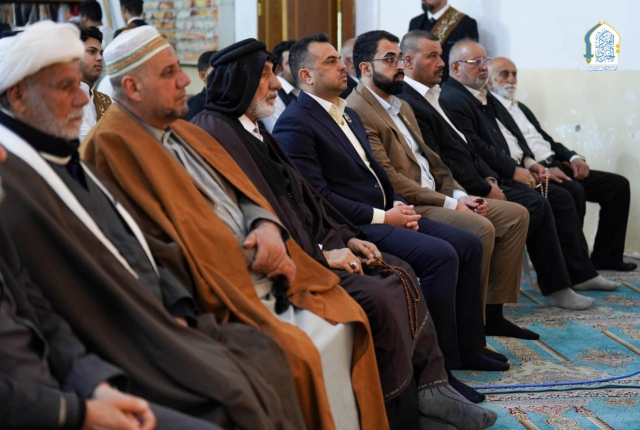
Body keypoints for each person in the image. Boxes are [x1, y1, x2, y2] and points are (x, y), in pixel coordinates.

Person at [0, 20, 307, 429]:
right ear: (18, 96)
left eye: (79, 84)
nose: (82, 98)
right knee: (239, 393)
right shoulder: (28, 176)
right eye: (65, 87)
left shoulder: (64, 153)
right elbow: (46, 303)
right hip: (122, 337)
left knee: (265, 356)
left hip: (162, 312)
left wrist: (176, 306)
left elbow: (134, 240)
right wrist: (88, 391)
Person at [83, 26, 387, 430]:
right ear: (133, 88)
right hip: (223, 286)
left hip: (265, 262)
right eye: (170, 73)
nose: (185, 81)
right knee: (300, 354)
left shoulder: (184, 129)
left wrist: (265, 225)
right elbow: (152, 243)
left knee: (354, 315)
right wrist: (252, 252)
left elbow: (244, 191)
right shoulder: (110, 145)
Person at [191, 38, 497, 430]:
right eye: (266, 76)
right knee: (384, 288)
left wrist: (347, 238)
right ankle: (405, 411)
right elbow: (266, 211)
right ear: (242, 80)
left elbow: (306, 200)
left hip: (331, 235)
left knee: (399, 271)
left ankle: (431, 387)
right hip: (296, 256)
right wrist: (324, 250)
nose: (276, 85)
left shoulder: (251, 129)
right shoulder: (219, 131)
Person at [274, 31, 512, 395]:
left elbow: (376, 174)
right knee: (441, 255)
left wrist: (395, 204)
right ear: (306, 76)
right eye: (331, 61)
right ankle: (439, 371)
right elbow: (319, 197)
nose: (342, 66)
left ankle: (468, 346)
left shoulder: (347, 113)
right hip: (354, 226)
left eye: (339, 59)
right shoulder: (297, 121)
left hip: (384, 211)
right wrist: (384, 216)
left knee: (468, 244)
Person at [348, 29, 533, 340]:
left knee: (516, 214)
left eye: (400, 58)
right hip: (411, 204)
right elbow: (390, 177)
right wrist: (451, 203)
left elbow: (435, 161)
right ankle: (468, 328)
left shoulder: (401, 105)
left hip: (438, 194)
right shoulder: (357, 109)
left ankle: (491, 314)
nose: (400, 66)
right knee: (480, 227)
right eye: (391, 59)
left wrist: (459, 193)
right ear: (366, 68)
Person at [0, 193, 222, 430]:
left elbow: (45, 319)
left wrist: (96, 386)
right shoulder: (22, 193)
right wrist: (78, 413)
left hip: (67, 394)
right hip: (45, 412)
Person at [440, 40, 618, 309]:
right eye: (476, 62)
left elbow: (514, 138)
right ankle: (556, 284)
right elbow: (475, 147)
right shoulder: (453, 98)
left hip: (507, 169)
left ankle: (576, 274)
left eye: (485, 61)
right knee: (546, 202)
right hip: (485, 177)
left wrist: (529, 162)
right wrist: (508, 172)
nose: (484, 67)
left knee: (565, 194)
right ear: (455, 68)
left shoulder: (482, 96)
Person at [488, 57, 635, 272]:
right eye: (504, 74)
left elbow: (548, 141)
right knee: (573, 191)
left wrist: (574, 157)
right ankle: (574, 265)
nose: (511, 79)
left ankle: (607, 257)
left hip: (557, 164)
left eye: (514, 73)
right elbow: (508, 151)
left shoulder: (520, 108)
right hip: (535, 171)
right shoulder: (491, 110)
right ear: (489, 81)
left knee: (617, 186)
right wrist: (539, 168)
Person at [408, 0, 477, 82]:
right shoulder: (415, 23)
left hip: (447, 86)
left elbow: (468, 63)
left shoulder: (466, 24)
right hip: (419, 84)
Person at [79, 26, 112, 144]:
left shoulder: (105, 100)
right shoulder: (64, 100)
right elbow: (90, 144)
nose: (100, 58)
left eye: (101, 53)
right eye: (92, 51)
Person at [261, 40, 298, 133]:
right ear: (278, 69)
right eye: (291, 63)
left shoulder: (302, 89)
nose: (298, 67)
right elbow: (280, 133)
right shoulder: (273, 94)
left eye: (299, 62)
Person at [186, 50, 216, 121]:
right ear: (203, 76)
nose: (223, 75)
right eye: (217, 71)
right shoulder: (197, 104)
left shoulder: (229, 100)